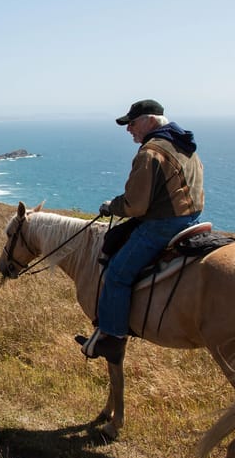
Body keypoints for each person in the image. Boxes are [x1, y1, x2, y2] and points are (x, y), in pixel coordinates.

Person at [78, 99, 205, 364]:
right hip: (192, 218)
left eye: (132, 123)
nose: (129, 129)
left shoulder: (151, 152)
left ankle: (112, 337)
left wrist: (112, 206)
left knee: (117, 274)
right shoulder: (183, 143)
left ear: (150, 120)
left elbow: (136, 204)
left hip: (164, 224)